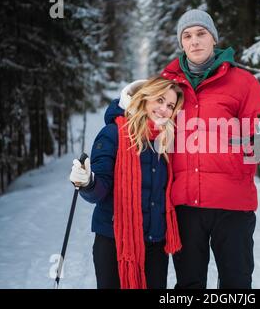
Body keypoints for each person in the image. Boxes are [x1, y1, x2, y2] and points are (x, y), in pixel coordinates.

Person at [160, 9, 260, 289]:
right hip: (185, 206)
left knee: (236, 283)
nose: (194, 41)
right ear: (181, 43)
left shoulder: (243, 82)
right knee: (189, 285)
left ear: (213, 38)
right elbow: (146, 121)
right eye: (187, 36)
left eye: (201, 34)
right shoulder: (168, 85)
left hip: (233, 205)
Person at [69, 77, 184, 289]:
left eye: (170, 105)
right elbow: (100, 189)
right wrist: (88, 182)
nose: (164, 109)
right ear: (144, 98)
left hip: (155, 243)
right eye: (159, 100)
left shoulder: (166, 140)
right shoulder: (113, 133)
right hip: (115, 241)